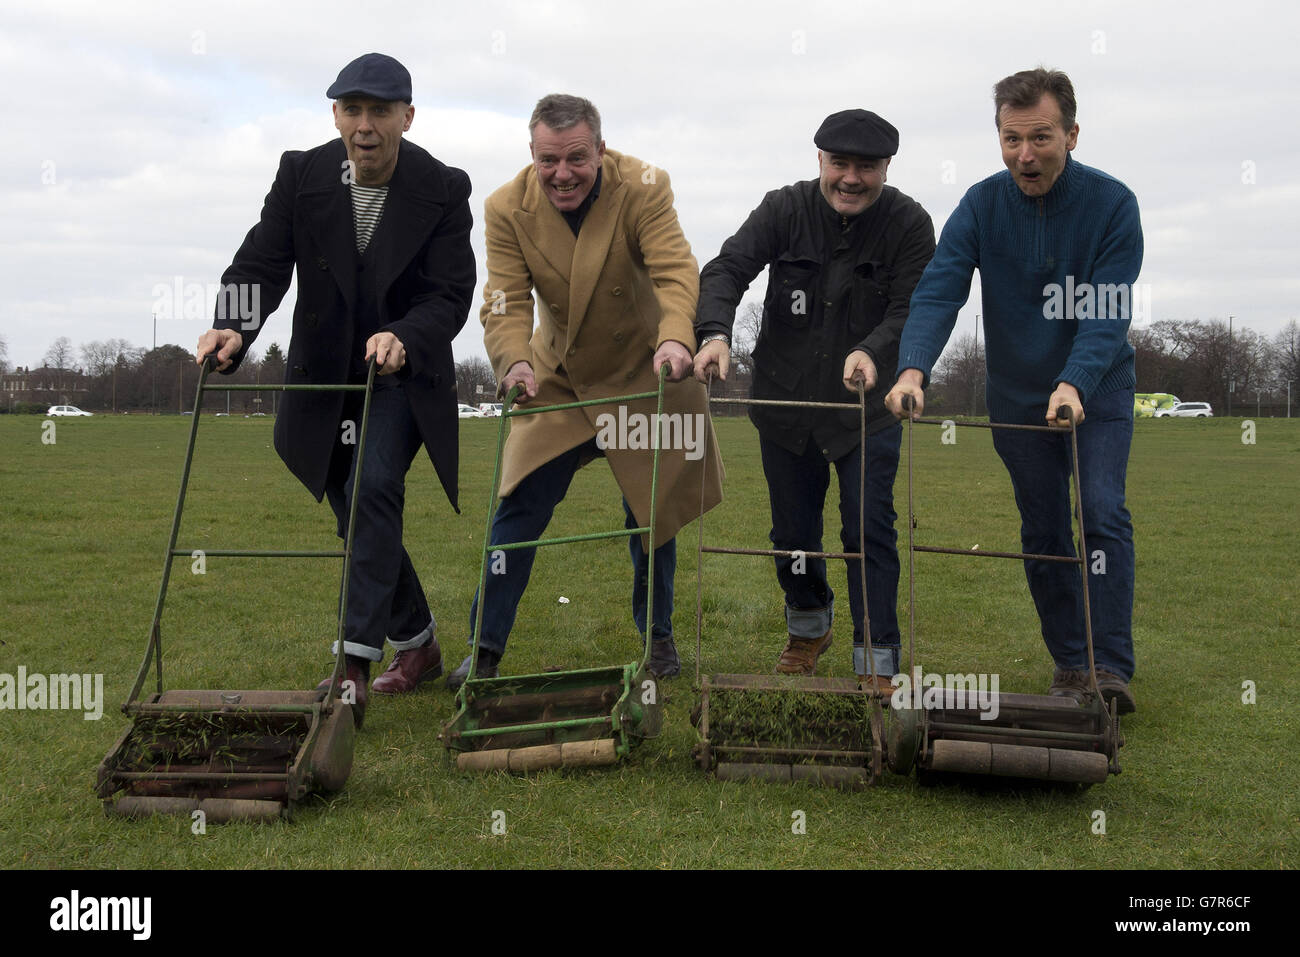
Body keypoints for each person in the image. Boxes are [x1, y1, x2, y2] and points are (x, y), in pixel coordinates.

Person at [195, 53, 477, 726]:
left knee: (373, 483)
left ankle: (352, 665)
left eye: (381, 111)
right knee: (353, 501)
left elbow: (451, 292)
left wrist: (404, 333)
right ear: (335, 116)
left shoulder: (443, 187)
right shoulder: (303, 173)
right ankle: (419, 645)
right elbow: (262, 259)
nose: (366, 126)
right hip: (324, 377)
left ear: (407, 116)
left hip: (403, 374)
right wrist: (232, 326)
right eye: (352, 110)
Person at [885, 67, 1142, 713]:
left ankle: (1109, 669)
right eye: (1010, 139)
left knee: (1103, 513)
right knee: (1045, 527)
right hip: (1017, 395)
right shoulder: (979, 204)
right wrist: (913, 368)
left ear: (1072, 135)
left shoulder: (1113, 205)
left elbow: (1105, 314)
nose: (1024, 155)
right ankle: (1070, 664)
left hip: (1098, 392)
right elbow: (941, 288)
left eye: (1040, 138)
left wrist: (1073, 383)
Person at [446, 93, 723, 689]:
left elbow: (676, 269)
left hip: (649, 372)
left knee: (653, 515)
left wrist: (677, 339)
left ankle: (658, 641)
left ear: (600, 148)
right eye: (548, 160)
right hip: (560, 378)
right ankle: (484, 650)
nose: (562, 174)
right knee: (516, 510)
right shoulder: (504, 207)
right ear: (532, 153)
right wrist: (514, 361)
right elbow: (504, 299)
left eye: (576, 157)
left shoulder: (646, 185)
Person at [694, 109, 935, 682]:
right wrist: (714, 335)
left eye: (867, 167)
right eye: (839, 164)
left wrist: (873, 351)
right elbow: (727, 269)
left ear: (886, 168)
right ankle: (808, 629)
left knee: (867, 529)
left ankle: (876, 658)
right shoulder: (783, 208)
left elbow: (913, 308)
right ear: (820, 161)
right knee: (794, 533)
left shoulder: (909, 223)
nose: (851, 178)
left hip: (865, 415)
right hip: (784, 407)